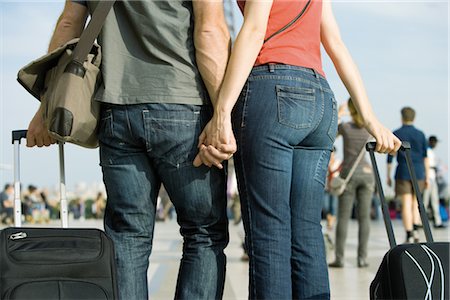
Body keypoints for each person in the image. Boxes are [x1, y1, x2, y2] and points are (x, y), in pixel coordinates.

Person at [194, 0, 401, 298]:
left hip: (272, 91)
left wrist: (222, 111)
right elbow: (336, 43)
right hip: (320, 99)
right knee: (307, 231)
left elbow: (254, 30)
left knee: (270, 233)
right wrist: (370, 118)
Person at [25, 1, 232, 299]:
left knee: (127, 237)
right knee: (204, 233)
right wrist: (223, 116)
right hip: (184, 106)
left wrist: (46, 105)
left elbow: (69, 25)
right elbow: (210, 29)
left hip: (117, 112)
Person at [328, 98, 375, 269]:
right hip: (367, 174)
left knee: (344, 218)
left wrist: (339, 115)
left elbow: (330, 134)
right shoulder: (368, 129)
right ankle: (362, 258)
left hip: (349, 174)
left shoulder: (346, 127)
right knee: (364, 219)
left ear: (350, 109)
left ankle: (339, 258)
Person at [387, 107, 429, 243]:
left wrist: (388, 175)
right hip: (419, 171)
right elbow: (425, 157)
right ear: (414, 117)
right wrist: (427, 175)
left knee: (405, 203)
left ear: (402, 117)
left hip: (403, 171)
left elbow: (390, 157)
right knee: (416, 202)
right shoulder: (421, 134)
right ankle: (416, 229)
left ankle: (409, 233)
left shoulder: (396, 133)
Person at [422, 136, 446, 228]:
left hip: (433, 178)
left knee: (435, 200)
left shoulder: (431, 151)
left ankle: (437, 221)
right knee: (425, 201)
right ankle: (421, 221)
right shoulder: (427, 151)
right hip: (428, 178)